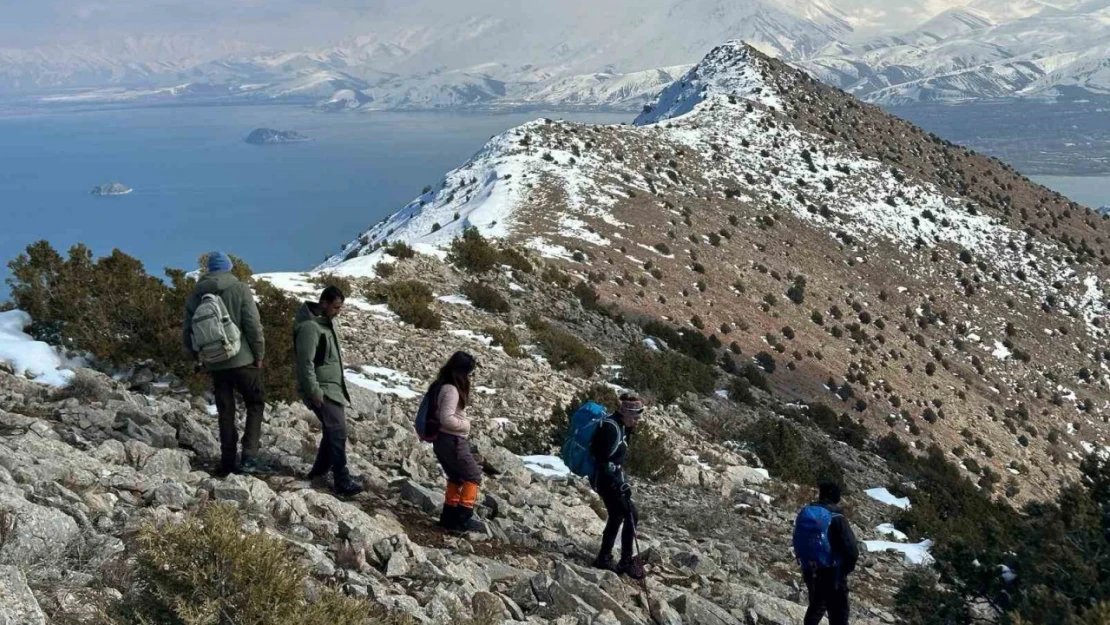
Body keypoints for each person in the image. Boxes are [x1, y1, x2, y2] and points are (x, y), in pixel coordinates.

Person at [183, 251, 265, 477]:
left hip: (215, 362)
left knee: (225, 411)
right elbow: (253, 324)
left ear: (208, 270)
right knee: (255, 404)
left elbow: (188, 330)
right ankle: (249, 456)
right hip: (243, 360)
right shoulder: (240, 288)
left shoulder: (197, 294)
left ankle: (227, 461)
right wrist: (259, 353)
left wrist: (195, 357)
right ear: (229, 267)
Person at [294, 285, 363, 497]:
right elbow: (304, 363)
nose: (338, 311)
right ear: (323, 303)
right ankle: (341, 478)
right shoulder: (310, 328)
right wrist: (314, 391)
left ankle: (318, 472)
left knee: (332, 431)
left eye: (340, 308)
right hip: (322, 390)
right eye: (335, 307)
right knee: (338, 432)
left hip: (333, 389)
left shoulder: (326, 325)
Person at [590, 394, 645, 579]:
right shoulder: (610, 428)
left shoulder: (622, 426)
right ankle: (624, 560)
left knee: (618, 514)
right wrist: (617, 483)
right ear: (626, 414)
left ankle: (605, 556)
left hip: (613, 479)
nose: (637, 421)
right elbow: (602, 460)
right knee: (630, 514)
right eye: (635, 417)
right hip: (606, 480)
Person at [431, 351, 485, 533]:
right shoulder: (452, 390)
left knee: (456, 477)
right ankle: (463, 519)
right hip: (452, 440)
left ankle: (449, 517)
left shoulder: (442, 386)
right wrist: (465, 425)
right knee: (473, 476)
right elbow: (446, 418)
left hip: (442, 440)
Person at [794, 482, 860, 625]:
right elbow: (852, 551)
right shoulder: (837, 517)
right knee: (839, 613)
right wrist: (844, 570)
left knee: (816, 606)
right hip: (833, 571)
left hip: (810, 568)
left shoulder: (808, 512)